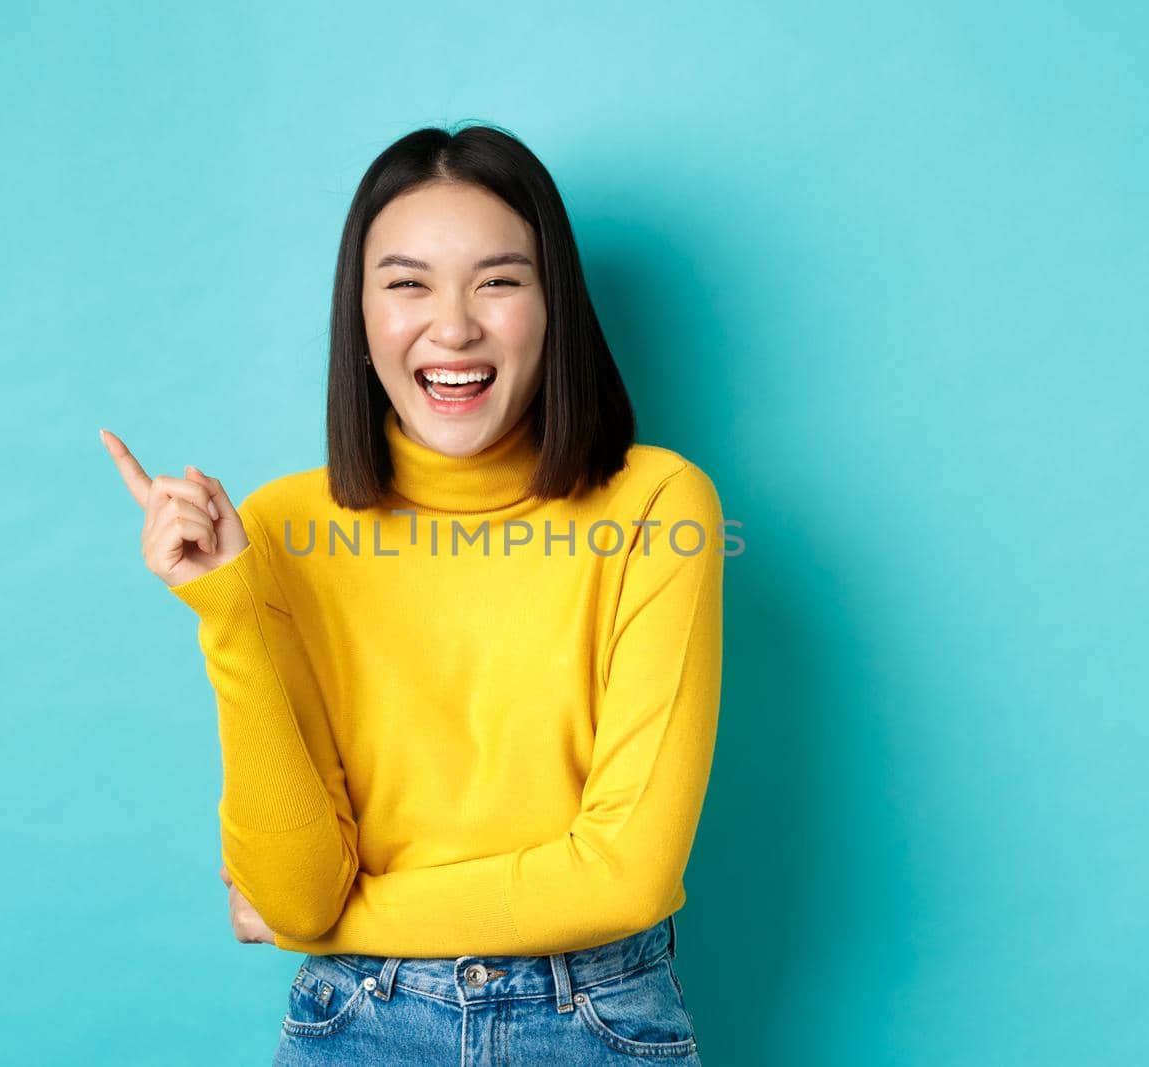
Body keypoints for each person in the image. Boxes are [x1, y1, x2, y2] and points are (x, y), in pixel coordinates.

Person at [101, 122, 725, 1064]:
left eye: (499, 280)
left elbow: (624, 878)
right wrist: (227, 606)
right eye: (407, 283)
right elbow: (297, 888)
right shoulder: (279, 528)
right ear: (359, 319)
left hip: (594, 1019)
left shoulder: (657, 507)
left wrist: (342, 921)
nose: (454, 324)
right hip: (357, 1023)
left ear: (554, 308)